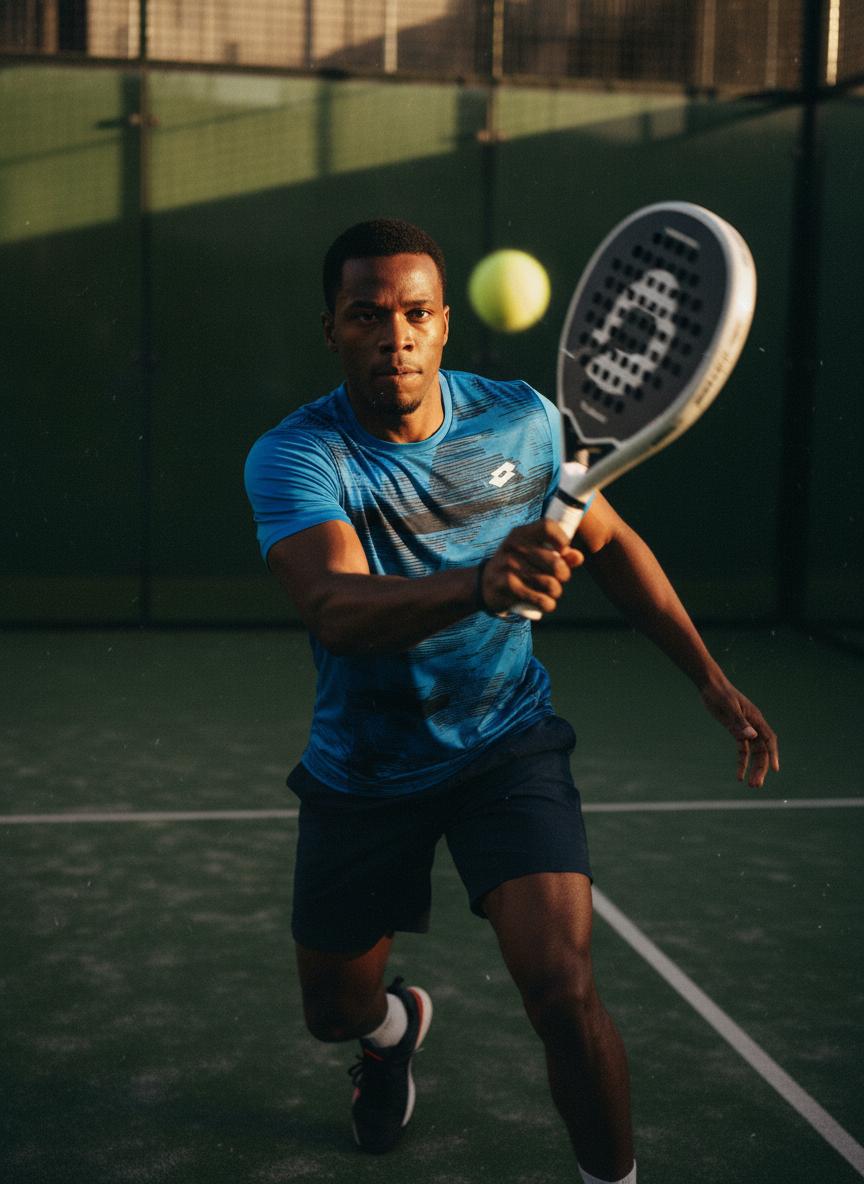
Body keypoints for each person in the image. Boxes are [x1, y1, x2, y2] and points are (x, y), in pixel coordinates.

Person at [243, 218, 779, 1184]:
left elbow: (609, 544)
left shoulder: (523, 421)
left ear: (445, 325)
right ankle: (394, 1030)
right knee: (334, 1011)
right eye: (367, 316)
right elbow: (334, 606)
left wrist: (710, 678)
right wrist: (479, 582)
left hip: (505, 745)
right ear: (333, 329)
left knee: (565, 993)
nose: (393, 336)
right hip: (366, 767)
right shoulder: (296, 456)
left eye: (414, 314)